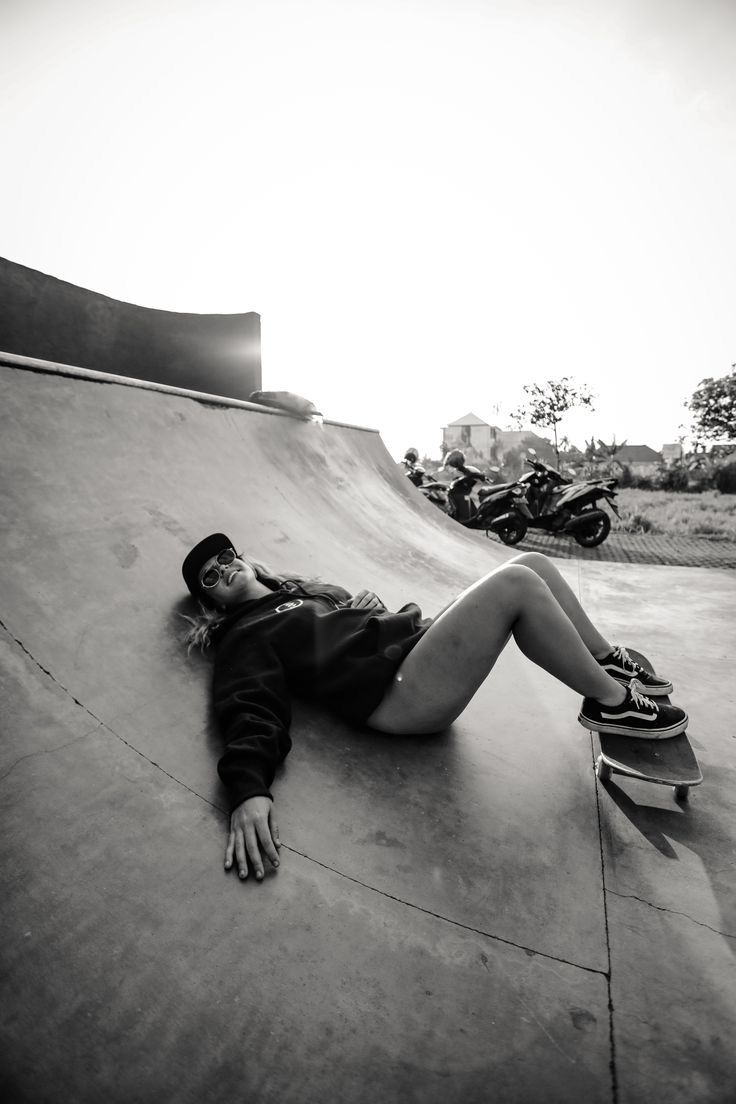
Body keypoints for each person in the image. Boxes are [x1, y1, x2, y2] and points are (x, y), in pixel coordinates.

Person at [181, 533, 688, 883]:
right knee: (517, 588)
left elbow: (333, 637)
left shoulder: (299, 595)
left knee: (529, 563)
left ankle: (605, 661)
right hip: (399, 695)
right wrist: (249, 788)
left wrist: (360, 614)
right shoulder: (243, 634)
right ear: (213, 601)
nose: (224, 569)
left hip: (406, 653)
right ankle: (613, 704)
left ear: (244, 559)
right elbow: (249, 704)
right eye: (210, 576)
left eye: (226, 558)